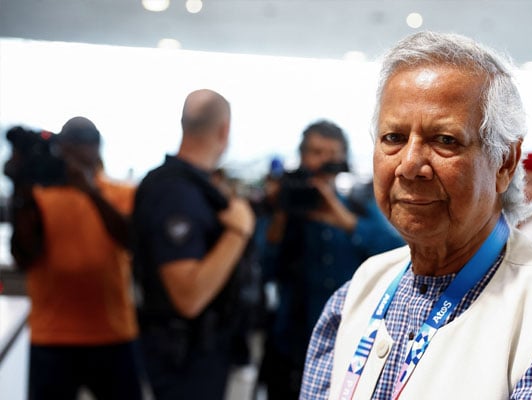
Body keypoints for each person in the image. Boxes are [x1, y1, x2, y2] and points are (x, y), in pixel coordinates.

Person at [301, 31, 532, 399]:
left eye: (445, 140)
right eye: (393, 138)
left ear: (505, 163)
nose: (410, 165)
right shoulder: (355, 296)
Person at [257, 120, 404, 399]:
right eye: (316, 152)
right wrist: (281, 213)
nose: (324, 161)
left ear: (343, 161)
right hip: (291, 347)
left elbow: (399, 254)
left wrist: (346, 221)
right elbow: (262, 266)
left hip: (350, 345)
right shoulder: (284, 207)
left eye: (332, 154)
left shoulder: (358, 205)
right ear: (302, 157)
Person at [6, 117, 143, 400]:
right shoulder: (39, 197)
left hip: (112, 334)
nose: (70, 160)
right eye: (65, 151)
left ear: (97, 150)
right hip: (52, 335)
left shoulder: (120, 193)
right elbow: (24, 257)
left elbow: (132, 239)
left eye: (80, 149)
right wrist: (21, 191)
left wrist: (90, 191)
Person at [131, 89, 255, 399]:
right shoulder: (176, 192)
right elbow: (188, 296)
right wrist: (237, 232)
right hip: (183, 355)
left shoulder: (194, 186)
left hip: (198, 350)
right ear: (224, 129)